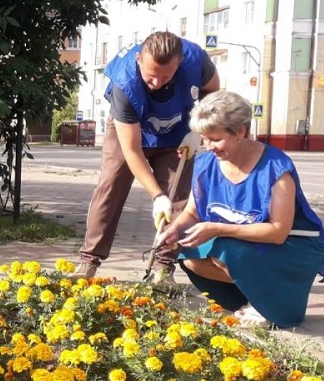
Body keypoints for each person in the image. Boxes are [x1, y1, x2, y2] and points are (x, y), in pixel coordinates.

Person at [154, 91, 324, 328]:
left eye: (215, 139)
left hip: (293, 247)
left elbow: (278, 232)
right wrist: (174, 230)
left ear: (241, 131)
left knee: (227, 249)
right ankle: (250, 299)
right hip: (249, 247)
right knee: (190, 255)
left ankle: (270, 303)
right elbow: (192, 213)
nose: (208, 146)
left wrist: (217, 228)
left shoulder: (276, 169)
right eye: (204, 138)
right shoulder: (206, 164)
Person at [72, 31, 219, 286]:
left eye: (166, 76)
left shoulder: (196, 60)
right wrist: (156, 196)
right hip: (128, 132)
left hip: (177, 133)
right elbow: (131, 151)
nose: (156, 83)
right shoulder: (125, 82)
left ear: (180, 63)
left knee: (177, 199)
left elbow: (213, 92)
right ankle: (89, 260)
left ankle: (163, 267)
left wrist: (198, 130)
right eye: (151, 75)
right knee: (110, 187)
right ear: (139, 59)